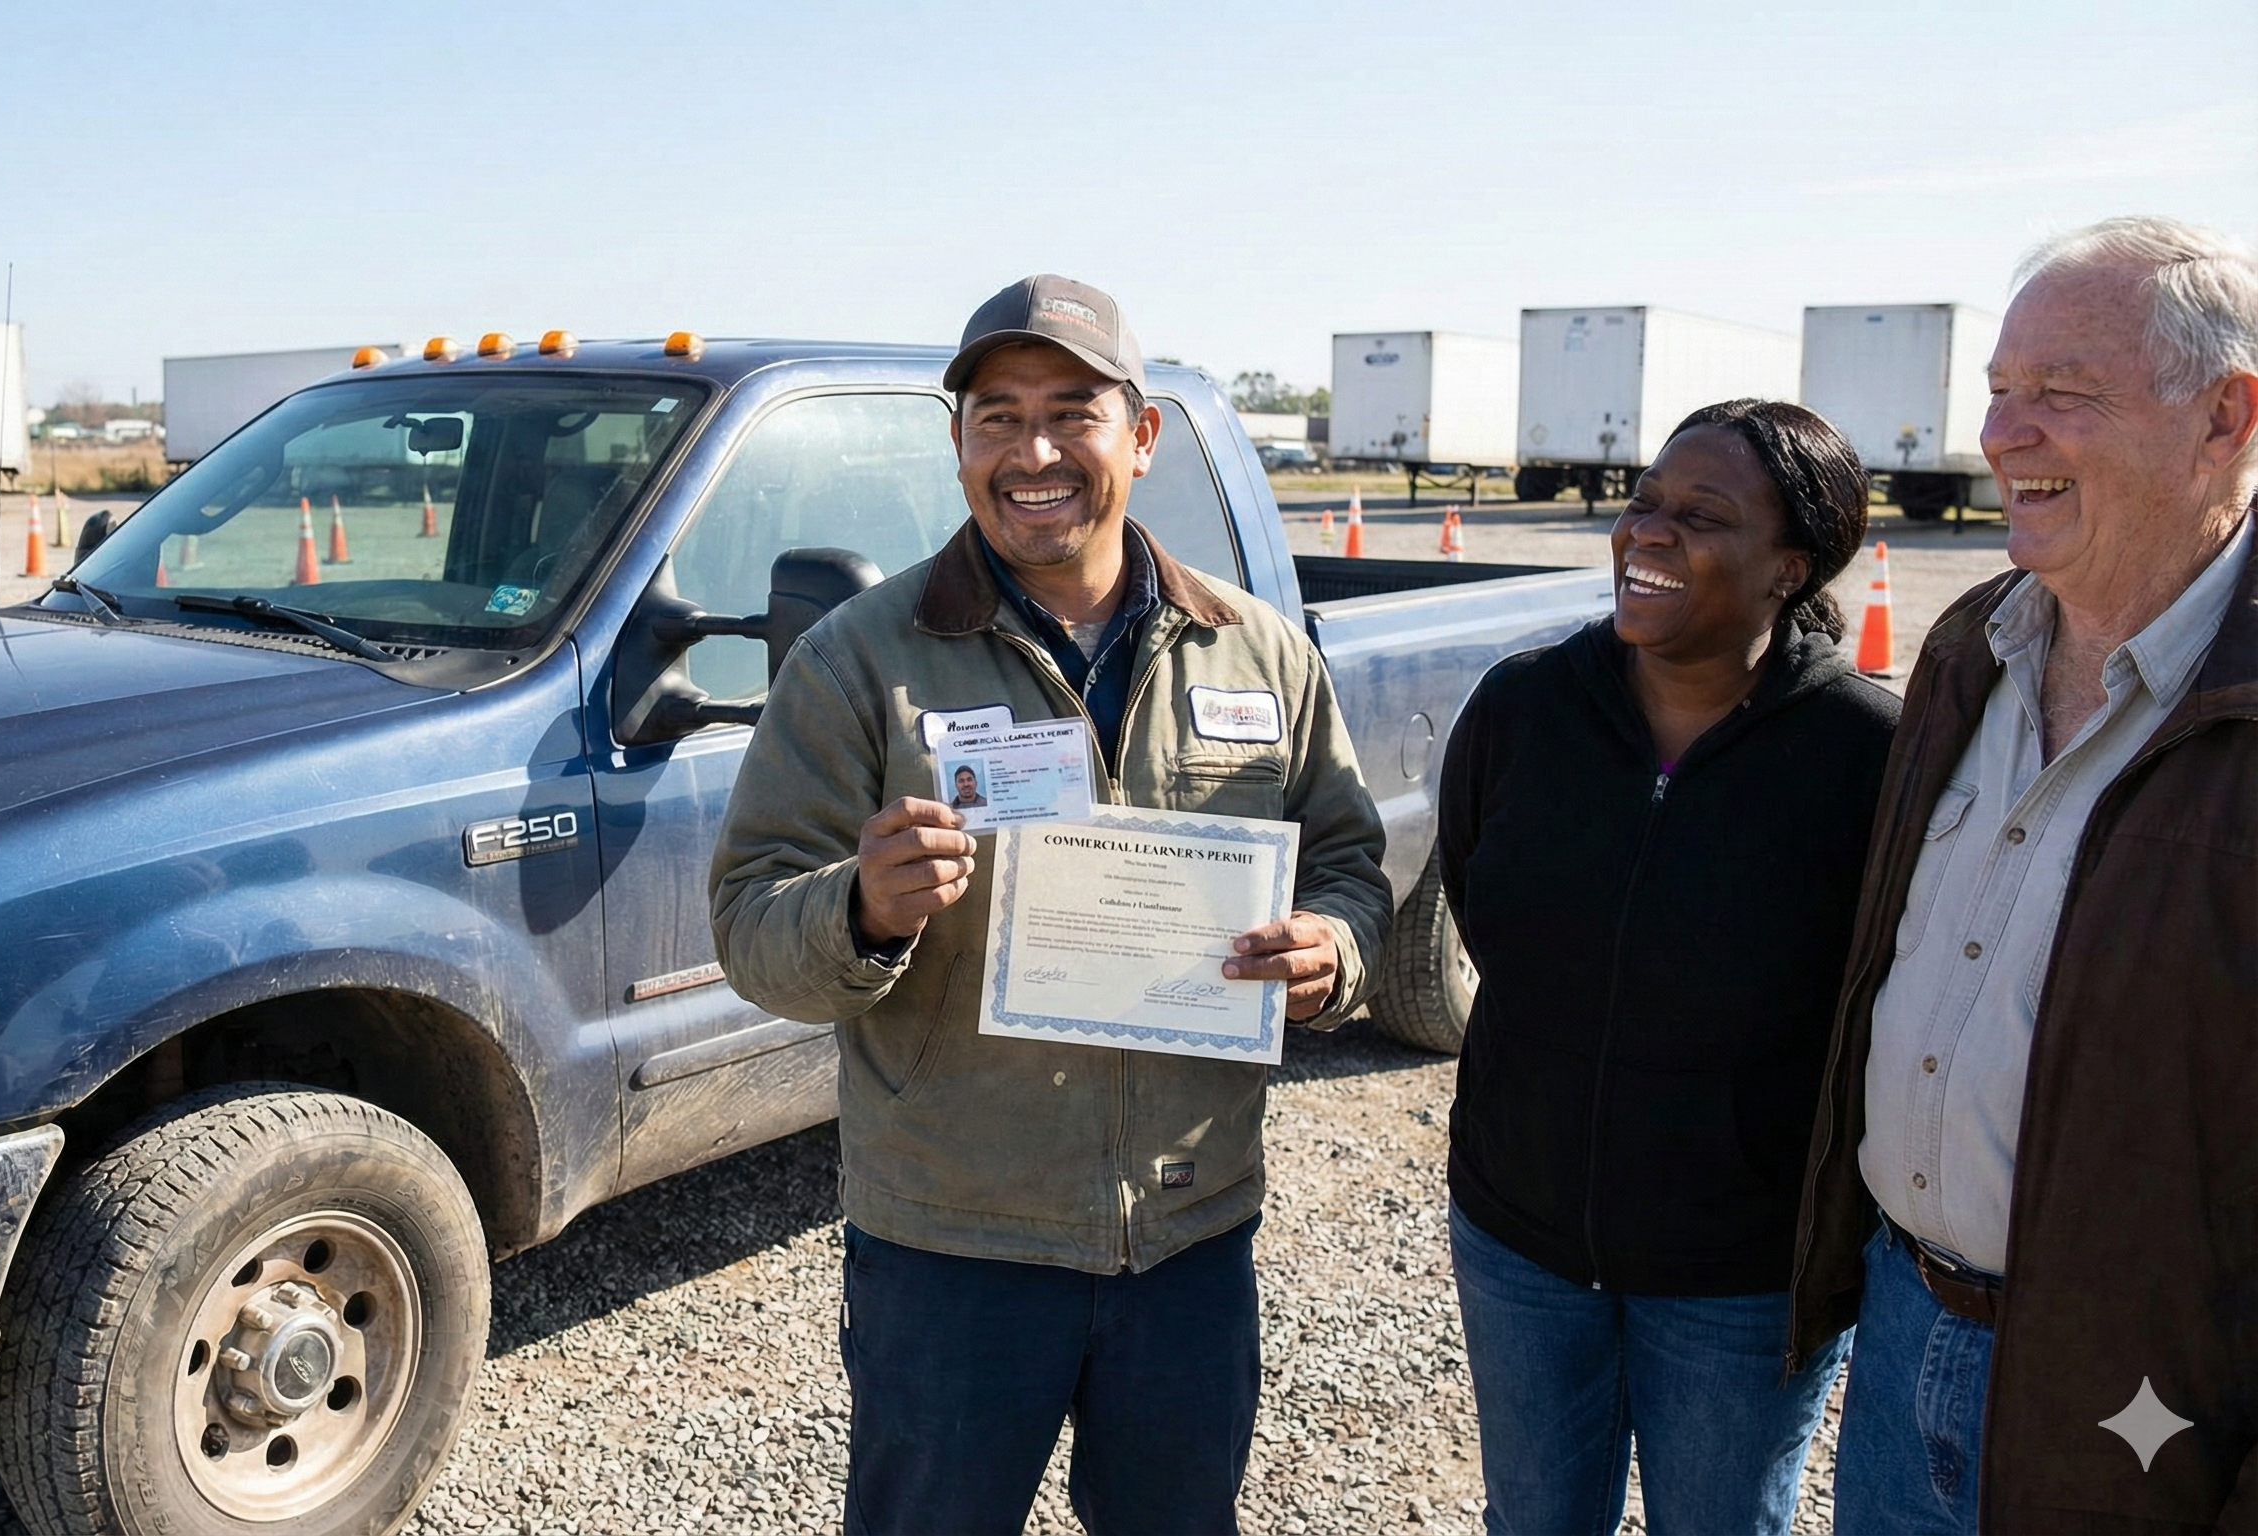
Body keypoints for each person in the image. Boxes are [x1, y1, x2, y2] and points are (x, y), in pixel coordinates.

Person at [709, 275, 1393, 1535]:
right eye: (995, 416)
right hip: (953, 1242)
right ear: (958, 444)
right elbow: (752, 927)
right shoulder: (860, 659)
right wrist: (861, 910)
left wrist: (1331, 949)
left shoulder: (1256, 651)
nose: (1033, 452)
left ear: (1138, 437)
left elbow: (1348, 869)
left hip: (1187, 1230)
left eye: (1071, 412)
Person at [1789, 217, 2258, 1535]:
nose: (2003, 436)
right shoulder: (1967, 653)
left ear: (2226, 418)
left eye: (2062, 395)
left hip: (2146, 1404)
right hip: (1901, 1320)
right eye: (1999, 393)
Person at [1436, 399, 1895, 1534]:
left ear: (1789, 566)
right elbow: (1474, 897)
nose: (1647, 532)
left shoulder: (1866, 754)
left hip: (1738, 1276)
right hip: (1520, 1238)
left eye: (1699, 516)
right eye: (1642, 501)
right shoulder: (1522, 708)